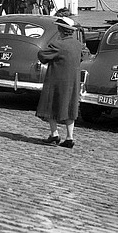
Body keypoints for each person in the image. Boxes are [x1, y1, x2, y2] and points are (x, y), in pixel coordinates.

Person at [36, 19, 85, 148]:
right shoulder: (78, 44)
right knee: (70, 107)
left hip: (57, 79)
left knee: (51, 105)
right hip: (73, 80)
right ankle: (70, 137)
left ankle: (54, 134)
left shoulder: (58, 44)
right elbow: (82, 57)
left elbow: (42, 55)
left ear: (61, 31)